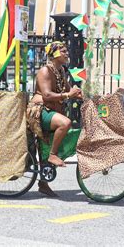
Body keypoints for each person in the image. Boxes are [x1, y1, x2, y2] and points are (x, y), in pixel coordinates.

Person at [26, 41, 82, 196]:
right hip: (39, 111)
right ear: (55, 54)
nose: (67, 53)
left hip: (51, 110)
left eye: (66, 51)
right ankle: (52, 156)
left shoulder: (61, 70)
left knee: (55, 143)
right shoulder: (45, 71)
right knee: (66, 123)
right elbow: (47, 95)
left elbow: (69, 90)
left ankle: (43, 183)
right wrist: (67, 95)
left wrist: (81, 95)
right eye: (63, 51)